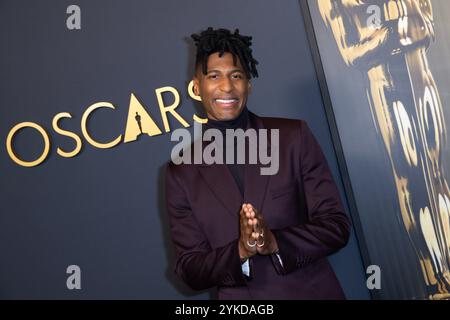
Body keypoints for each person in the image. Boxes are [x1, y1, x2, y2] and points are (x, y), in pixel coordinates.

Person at [165, 27, 350, 299]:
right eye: (214, 76)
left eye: (236, 76)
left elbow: (336, 226)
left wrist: (274, 242)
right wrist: (241, 249)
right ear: (196, 87)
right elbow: (190, 269)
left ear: (248, 84)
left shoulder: (292, 138)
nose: (227, 86)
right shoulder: (181, 172)